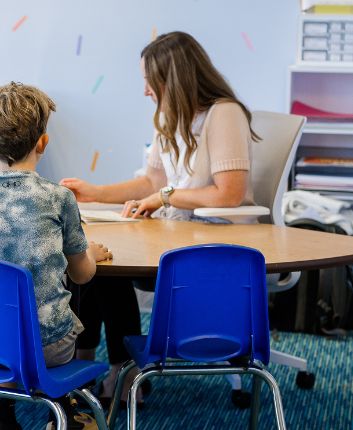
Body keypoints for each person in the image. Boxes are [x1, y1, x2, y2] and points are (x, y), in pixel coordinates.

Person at [59, 31, 260, 409]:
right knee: (93, 254)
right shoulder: (168, 116)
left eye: (150, 81)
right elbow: (152, 182)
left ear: (175, 78)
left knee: (107, 266)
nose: (146, 90)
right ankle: (85, 368)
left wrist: (166, 197)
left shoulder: (224, 113)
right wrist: (95, 192)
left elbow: (229, 194)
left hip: (215, 245)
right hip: (174, 233)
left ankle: (123, 374)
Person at [0, 82, 113, 430]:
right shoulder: (58, 198)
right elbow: (82, 273)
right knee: (65, 307)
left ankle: (7, 424)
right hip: (47, 348)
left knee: (8, 311)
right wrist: (92, 253)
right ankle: (66, 413)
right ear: (43, 141)